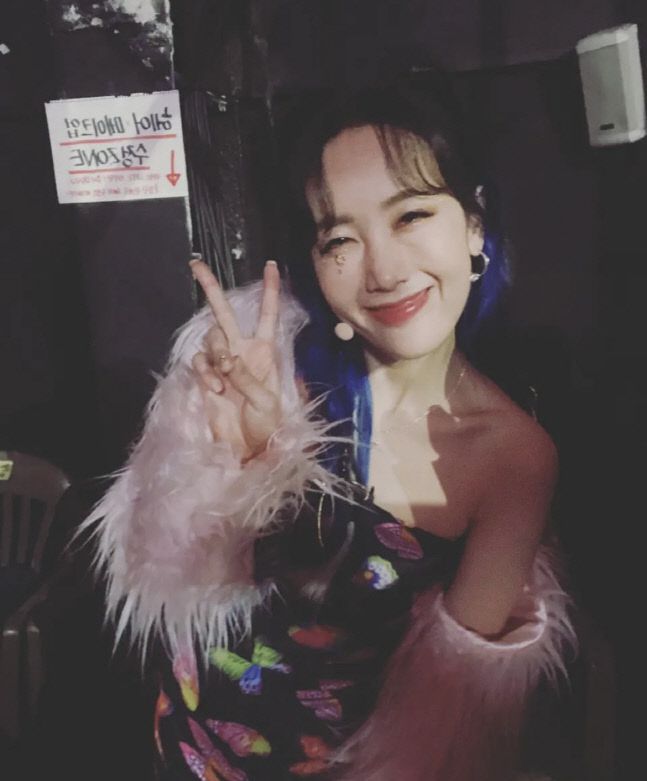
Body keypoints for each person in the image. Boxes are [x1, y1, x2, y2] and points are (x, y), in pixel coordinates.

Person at [84, 83, 576, 781]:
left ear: (472, 224)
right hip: (188, 748)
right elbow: (170, 583)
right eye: (341, 238)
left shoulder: (514, 458)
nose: (384, 270)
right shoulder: (266, 370)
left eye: (410, 215)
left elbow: (447, 722)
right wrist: (240, 470)